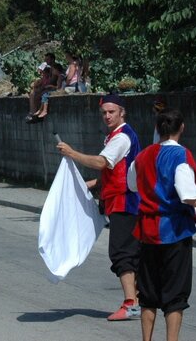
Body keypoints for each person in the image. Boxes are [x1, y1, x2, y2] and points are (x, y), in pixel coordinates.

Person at [128, 108, 196, 341]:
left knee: (147, 292)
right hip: (174, 231)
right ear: (182, 128)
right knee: (175, 293)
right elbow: (186, 193)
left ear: (157, 129)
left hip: (147, 231)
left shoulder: (142, 156)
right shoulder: (182, 156)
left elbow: (133, 185)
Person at [56, 93, 142, 321]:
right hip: (122, 200)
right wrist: (92, 184)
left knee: (120, 253)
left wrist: (72, 153)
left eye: (111, 112)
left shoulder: (121, 138)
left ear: (122, 112)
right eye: (104, 112)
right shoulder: (117, 136)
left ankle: (130, 304)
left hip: (125, 201)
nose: (107, 116)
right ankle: (137, 300)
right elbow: (114, 170)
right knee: (129, 253)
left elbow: (101, 162)